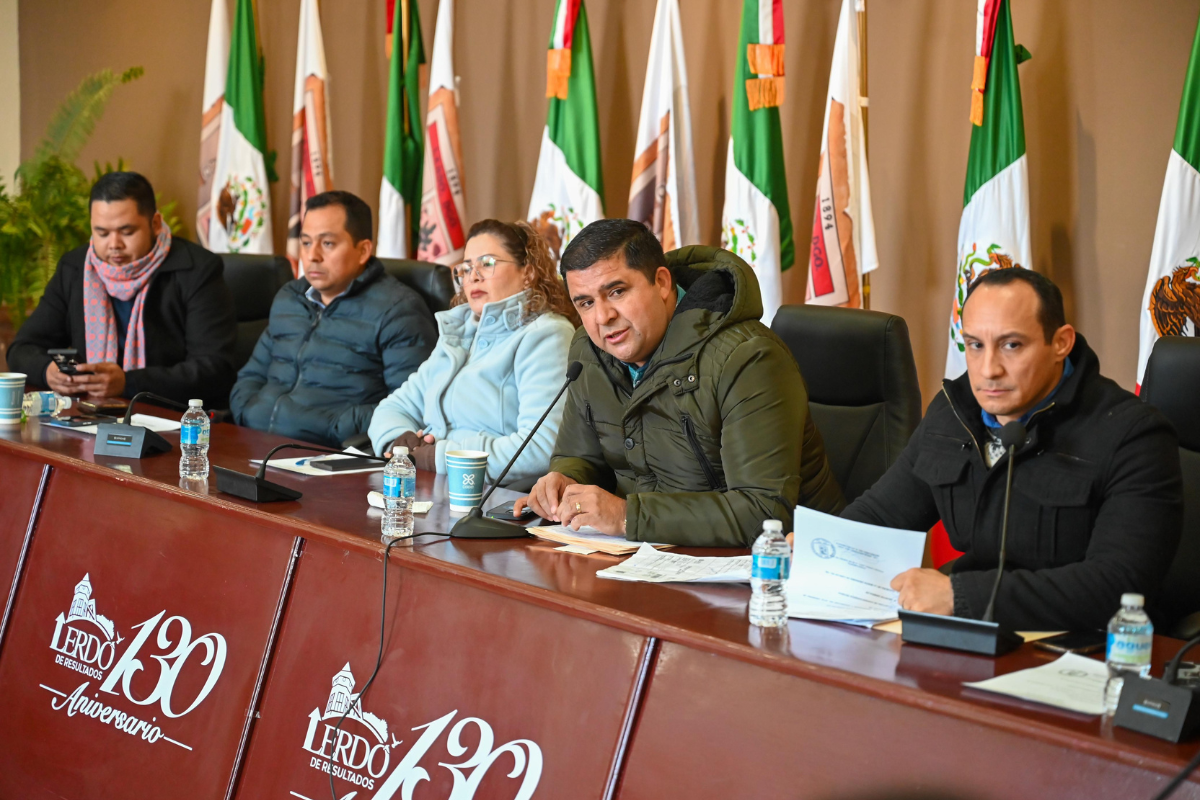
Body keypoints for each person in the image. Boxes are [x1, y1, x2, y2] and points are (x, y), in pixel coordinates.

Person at [843, 268, 1183, 631]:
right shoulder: (953, 411)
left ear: (1061, 343)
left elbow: (1119, 585)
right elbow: (883, 514)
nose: (989, 370)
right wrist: (816, 546)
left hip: (1082, 647)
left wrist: (962, 595)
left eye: (1012, 345)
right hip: (971, 632)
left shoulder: (1133, 434)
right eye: (975, 345)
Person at [515, 219, 844, 547]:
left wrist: (627, 516)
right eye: (585, 302)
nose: (602, 318)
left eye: (616, 291)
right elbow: (582, 458)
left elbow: (763, 512)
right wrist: (564, 482)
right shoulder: (588, 351)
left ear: (660, 282)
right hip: (650, 556)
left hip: (784, 568)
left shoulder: (749, 358)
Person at [368, 220, 577, 485]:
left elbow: (540, 448)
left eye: (487, 263)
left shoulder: (546, 334)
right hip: (426, 481)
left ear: (528, 273)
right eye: (466, 269)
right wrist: (400, 440)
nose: (473, 276)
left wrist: (439, 457)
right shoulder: (459, 334)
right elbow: (393, 407)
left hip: (488, 494)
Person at [8, 171, 238, 406]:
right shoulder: (75, 268)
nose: (114, 245)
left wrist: (128, 383)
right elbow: (22, 348)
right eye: (102, 233)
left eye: (127, 232)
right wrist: (47, 371)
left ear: (155, 224)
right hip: (90, 413)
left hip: (171, 416)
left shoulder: (197, 270)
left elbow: (216, 370)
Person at [230, 191, 436, 448]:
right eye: (305, 243)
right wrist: (249, 411)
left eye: (327, 243)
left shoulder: (398, 310)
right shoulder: (289, 298)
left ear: (362, 251)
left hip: (329, 457)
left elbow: (411, 407)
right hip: (254, 442)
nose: (312, 256)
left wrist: (339, 426)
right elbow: (251, 375)